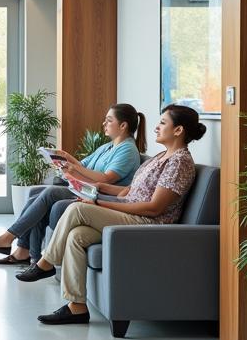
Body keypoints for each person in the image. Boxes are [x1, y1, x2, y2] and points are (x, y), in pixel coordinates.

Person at [23, 104, 205, 325]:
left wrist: (99, 203)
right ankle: (77, 306)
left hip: (148, 222)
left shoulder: (179, 162)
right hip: (135, 214)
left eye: (163, 123)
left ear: (178, 130)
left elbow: (153, 208)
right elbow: (129, 191)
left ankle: (46, 262)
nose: (157, 127)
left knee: (77, 208)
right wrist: (95, 188)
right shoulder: (160, 157)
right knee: (77, 235)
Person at [0, 103, 145, 266]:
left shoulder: (127, 150)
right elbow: (83, 166)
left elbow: (107, 178)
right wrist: (64, 157)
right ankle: (24, 252)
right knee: (36, 194)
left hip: (99, 195)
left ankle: (8, 238)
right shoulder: (108, 147)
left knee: (50, 194)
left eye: (109, 120)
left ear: (123, 126)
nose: (104, 123)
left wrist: (73, 169)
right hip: (85, 188)